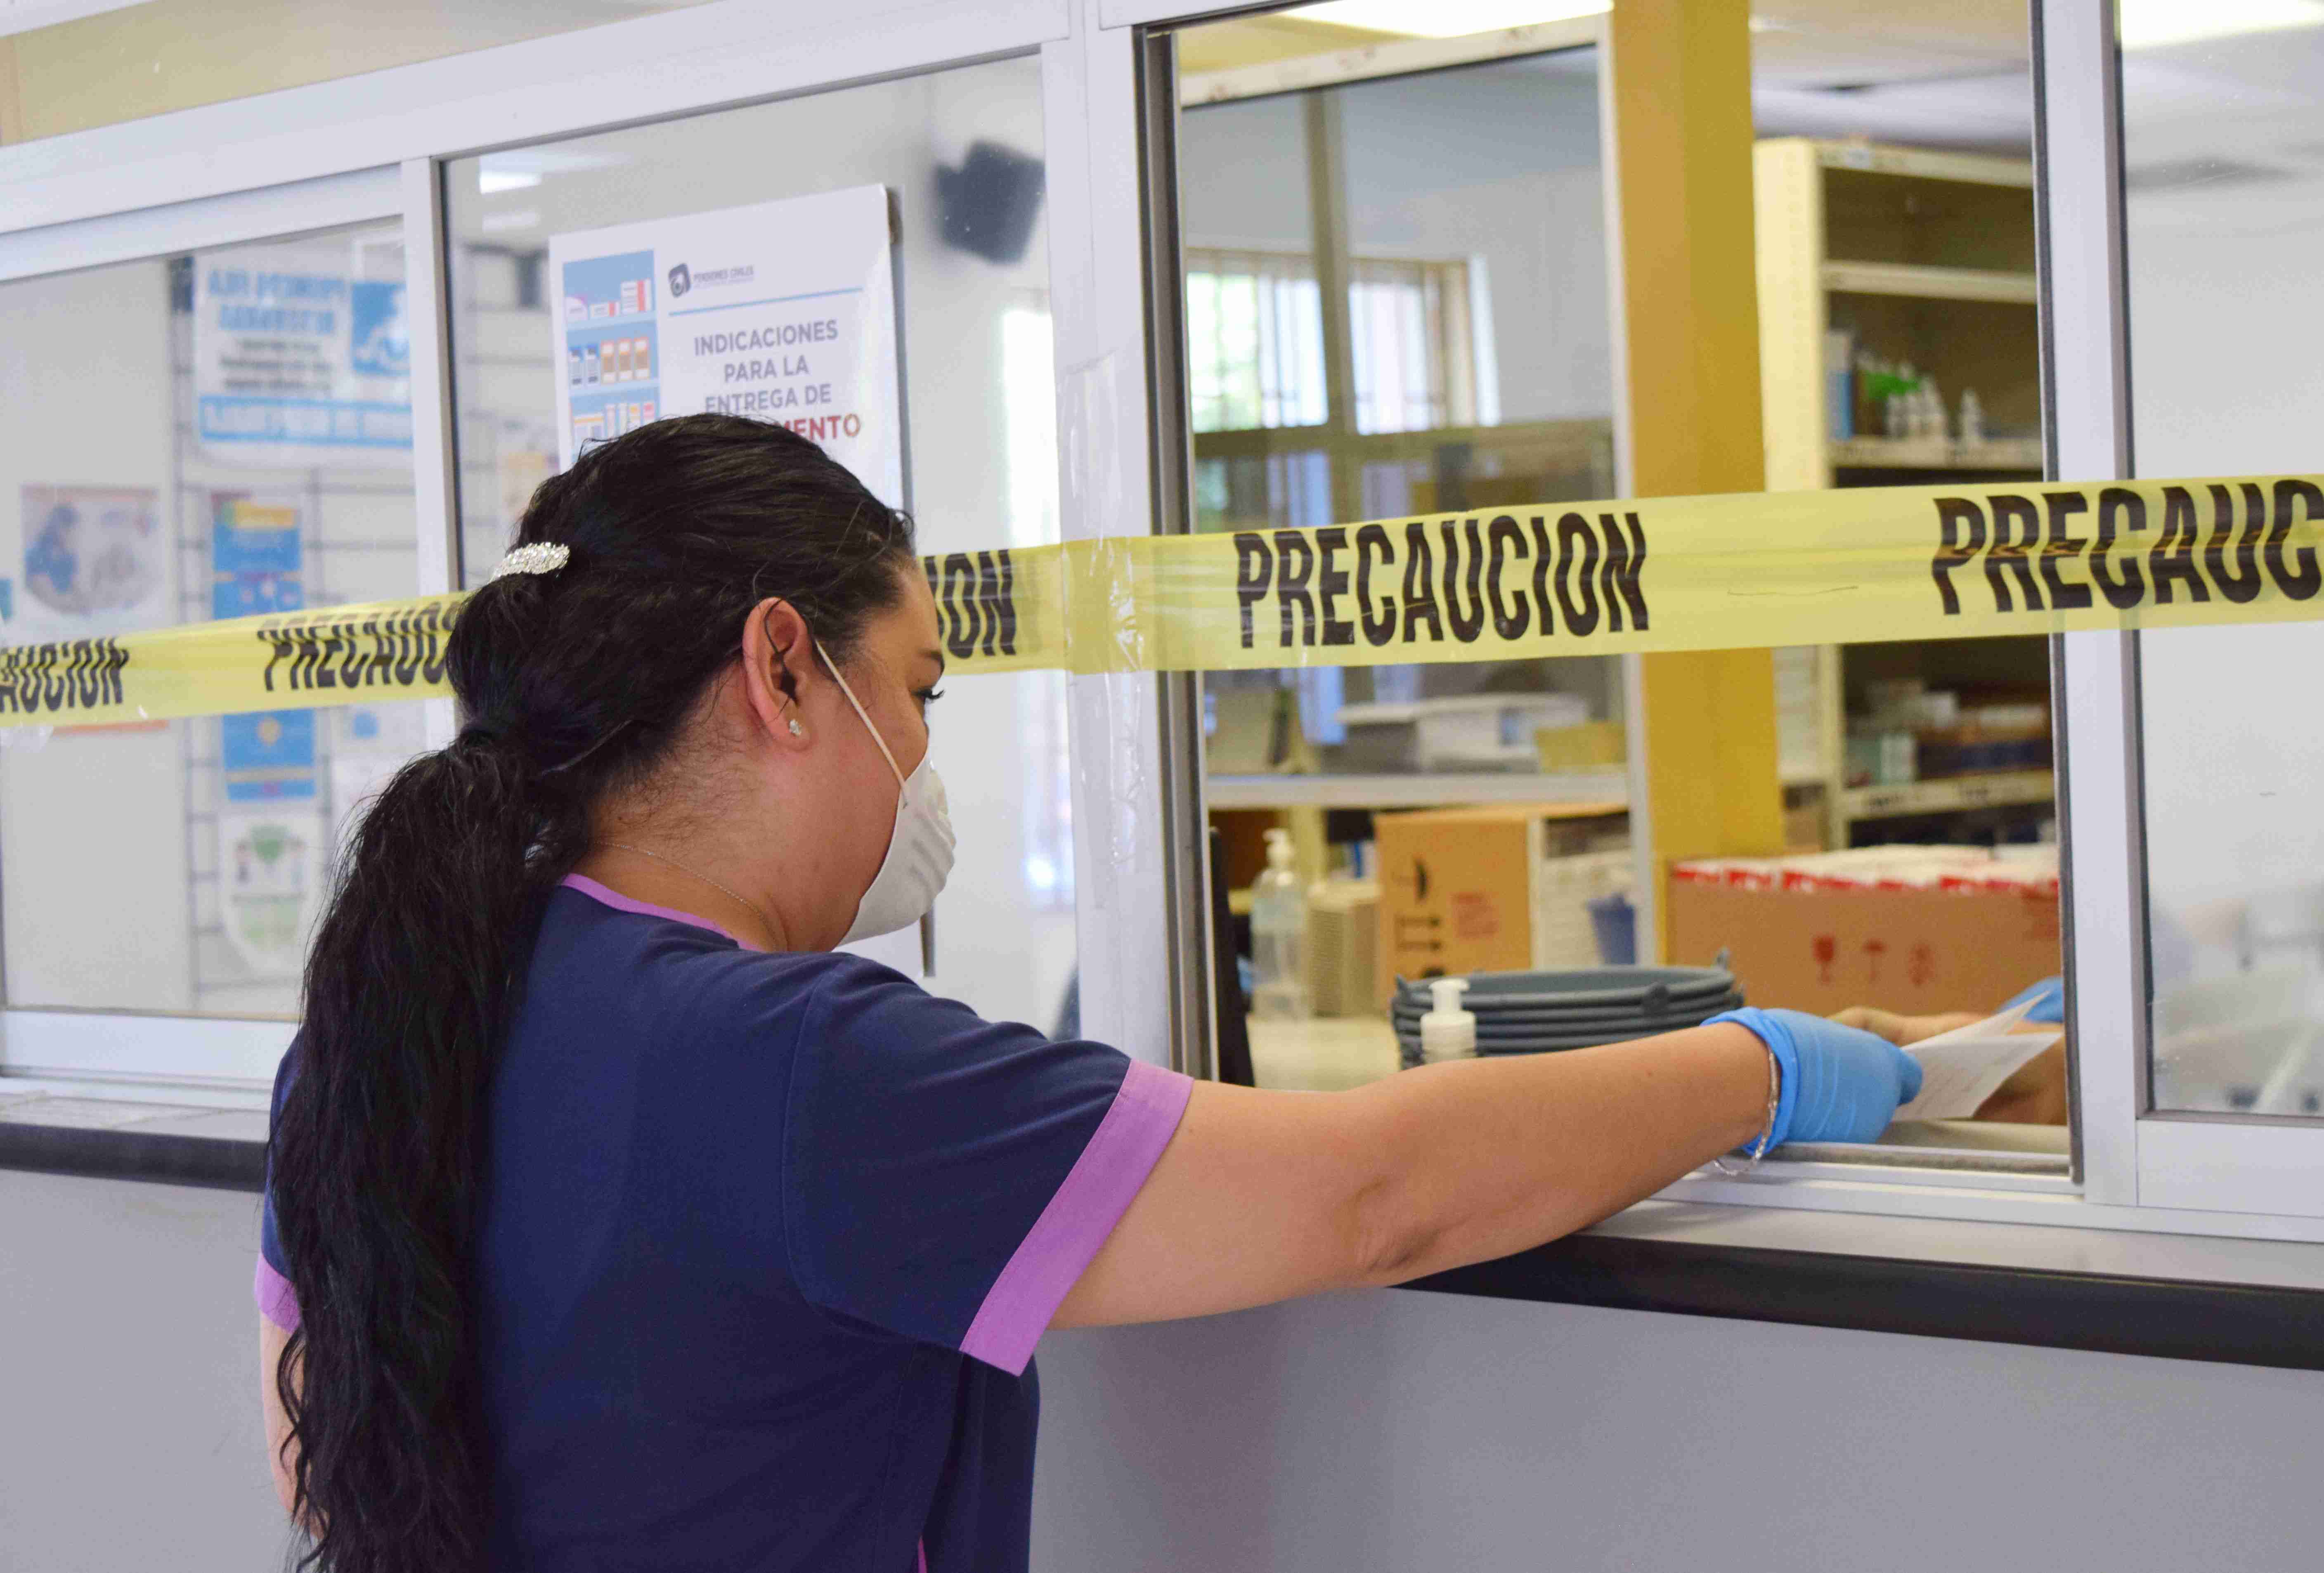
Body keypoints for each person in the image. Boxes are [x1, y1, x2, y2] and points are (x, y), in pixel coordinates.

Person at [257, 414, 1923, 1573]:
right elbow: (1379, 1192)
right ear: (781, 670)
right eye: (917, 692)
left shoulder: (391, 1025)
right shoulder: (793, 1064)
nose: (922, 758)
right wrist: (1758, 1064)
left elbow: (320, 1459)